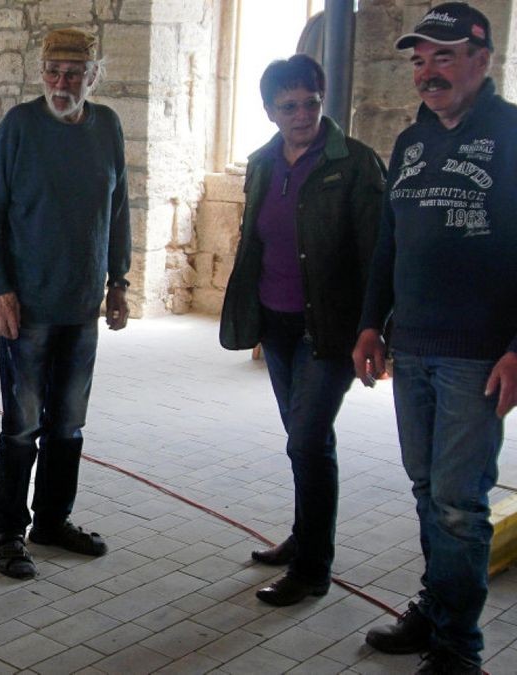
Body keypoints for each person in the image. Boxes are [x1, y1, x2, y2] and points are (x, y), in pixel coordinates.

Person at [353, 4, 517, 673]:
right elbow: (389, 243)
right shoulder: (410, 142)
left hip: (477, 353)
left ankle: (459, 644)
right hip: (413, 345)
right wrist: (371, 320)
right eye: (420, 61)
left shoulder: (512, 135)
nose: (428, 73)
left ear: (482, 59)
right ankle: (436, 606)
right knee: (427, 489)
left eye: (443, 57)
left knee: (458, 501)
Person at [219, 54, 385, 607]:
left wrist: (374, 327)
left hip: (329, 329)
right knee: (304, 443)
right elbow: (257, 240)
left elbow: (377, 253)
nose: (302, 115)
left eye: (311, 103)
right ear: (269, 110)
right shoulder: (264, 162)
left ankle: (314, 568)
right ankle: (303, 535)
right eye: (288, 106)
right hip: (279, 323)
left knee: (308, 439)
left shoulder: (354, 164)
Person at [0, 28, 131, 580]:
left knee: (69, 425)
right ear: (41, 73)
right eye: (52, 71)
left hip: (82, 305)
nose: (62, 83)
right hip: (28, 307)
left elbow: (119, 209)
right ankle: (8, 532)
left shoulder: (106, 126)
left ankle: (53, 522)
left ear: (94, 75)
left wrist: (120, 282)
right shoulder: (20, 126)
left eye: (74, 73)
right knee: (21, 427)